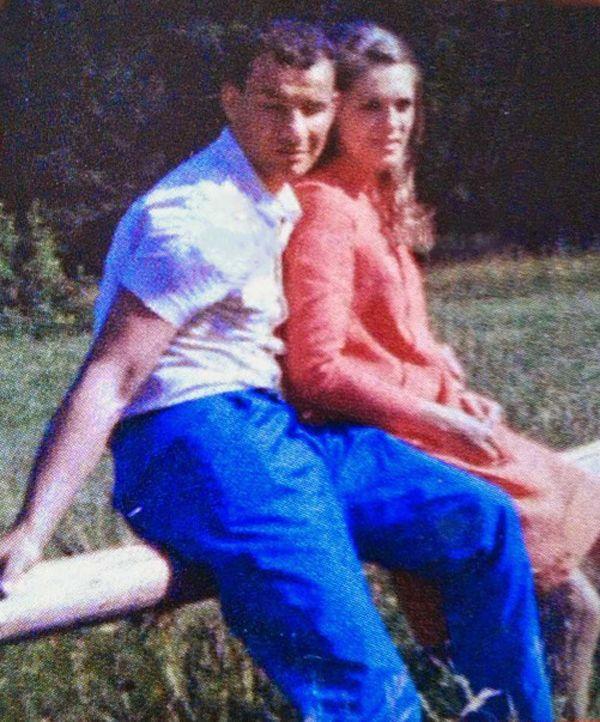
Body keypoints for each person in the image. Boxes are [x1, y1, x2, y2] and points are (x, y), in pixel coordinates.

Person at [0, 19, 552, 721]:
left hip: (271, 426)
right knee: (365, 685)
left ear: (333, 106)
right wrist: (33, 526)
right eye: (273, 105)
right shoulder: (193, 216)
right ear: (230, 99)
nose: (296, 129)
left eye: (313, 108)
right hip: (191, 440)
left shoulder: (275, 193)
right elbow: (111, 377)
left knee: (480, 522)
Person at [282, 20, 600, 718]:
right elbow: (316, 369)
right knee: (571, 599)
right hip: (389, 436)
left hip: (434, 420)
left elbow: (402, 337)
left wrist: (457, 389)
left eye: (403, 104)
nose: (393, 122)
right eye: (371, 106)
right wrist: (436, 413)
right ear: (335, 113)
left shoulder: (374, 197)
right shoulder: (325, 209)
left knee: (589, 526)